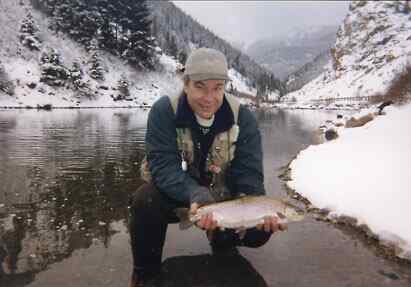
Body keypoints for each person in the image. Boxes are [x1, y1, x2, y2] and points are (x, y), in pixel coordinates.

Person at [129, 48, 285, 286]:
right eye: (200, 86)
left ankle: (223, 243)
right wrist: (195, 193)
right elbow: (163, 167)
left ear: (225, 87)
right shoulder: (164, 111)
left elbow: (249, 172)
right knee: (144, 200)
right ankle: (145, 274)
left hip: (224, 195)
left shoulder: (242, 118)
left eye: (217, 88)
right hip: (181, 193)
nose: (209, 97)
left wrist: (248, 201)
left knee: (258, 231)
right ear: (186, 83)